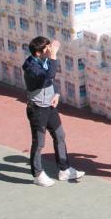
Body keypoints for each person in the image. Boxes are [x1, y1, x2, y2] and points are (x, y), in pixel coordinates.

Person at [23, 36, 79, 186]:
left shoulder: (44, 60)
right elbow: (49, 75)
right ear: (38, 52)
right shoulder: (31, 67)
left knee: (60, 135)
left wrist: (56, 94)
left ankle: (64, 169)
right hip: (37, 110)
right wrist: (54, 55)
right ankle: (37, 174)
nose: (50, 50)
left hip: (50, 106)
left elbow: (51, 80)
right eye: (47, 48)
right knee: (39, 143)